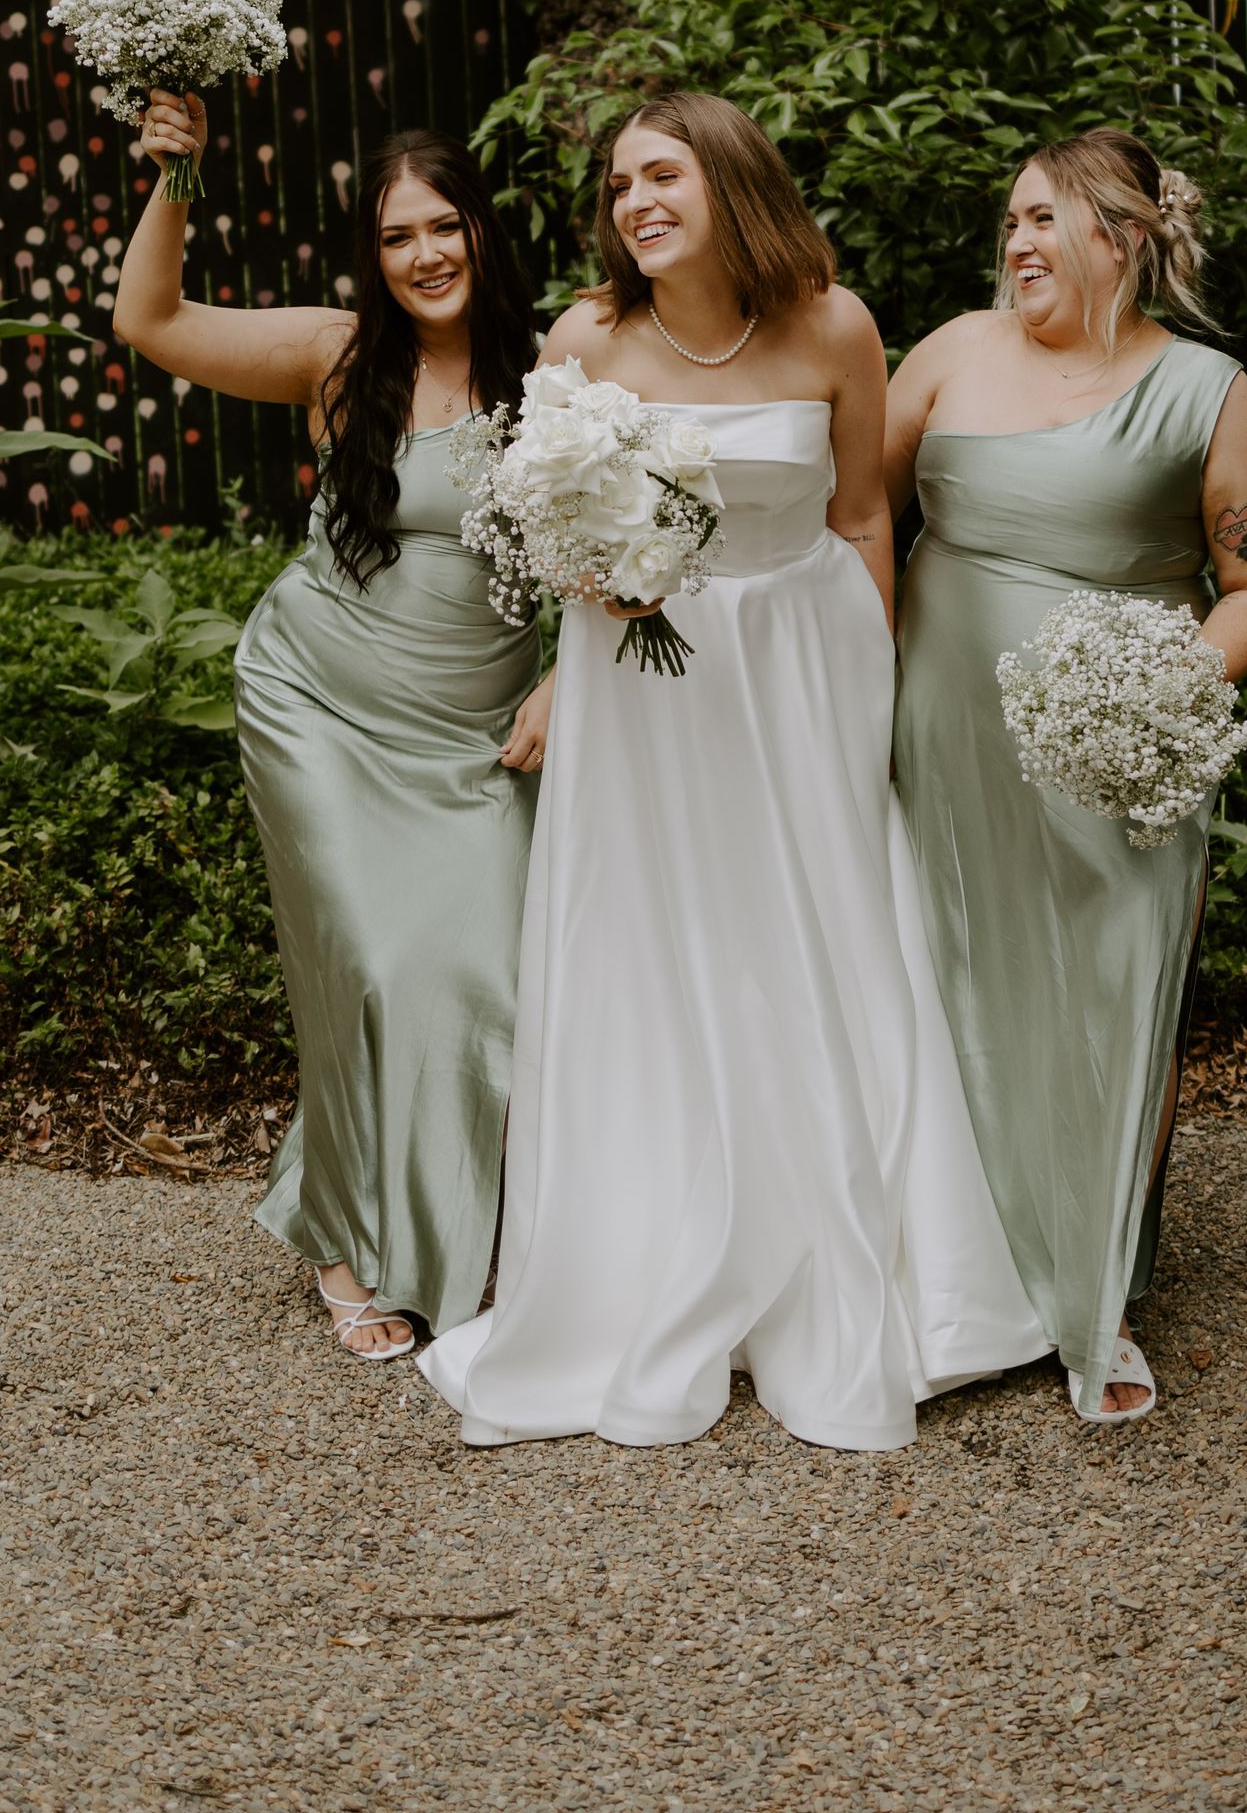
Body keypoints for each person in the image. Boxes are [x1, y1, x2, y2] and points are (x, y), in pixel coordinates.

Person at [419, 91, 1045, 1450]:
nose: (636, 203)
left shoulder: (834, 325)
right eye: (619, 184)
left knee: (818, 932)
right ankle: (647, 1255)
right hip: (646, 682)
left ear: (730, 181)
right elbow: (549, 524)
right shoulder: (588, 337)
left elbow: (863, 513)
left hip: (804, 663)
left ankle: (867, 1261)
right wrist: (595, 590)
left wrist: (870, 688)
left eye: (663, 176)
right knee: (661, 939)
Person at [112, 103, 550, 1359]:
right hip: (319, 702)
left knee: (485, 976)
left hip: (474, 728)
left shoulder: (557, 370)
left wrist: (570, 676)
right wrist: (178, 176)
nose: (425, 255)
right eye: (396, 237)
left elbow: (613, 543)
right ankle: (350, 1244)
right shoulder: (340, 356)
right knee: (368, 963)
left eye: (443, 226)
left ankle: (461, 1216)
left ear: (481, 229)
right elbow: (151, 322)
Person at [885, 129, 1247, 1425]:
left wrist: (1159, 696)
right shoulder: (949, 354)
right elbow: (855, 521)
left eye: (1043, 219)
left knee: (1119, 991)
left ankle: (1097, 1291)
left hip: (1118, 756)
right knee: (950, 979)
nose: (1016, 242)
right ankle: (961, 1270)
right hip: (942, 739)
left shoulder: (1211, 397)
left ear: (1122, 238)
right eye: (1010, 220)